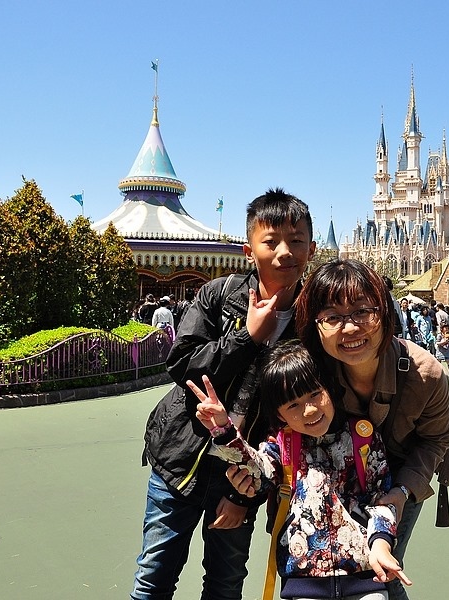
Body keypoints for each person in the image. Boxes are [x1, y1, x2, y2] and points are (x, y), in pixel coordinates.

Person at [130, 188, 315, 600]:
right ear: (249, 251)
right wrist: (246, 336)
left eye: (296, 240)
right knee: (154, 577)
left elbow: (295, 417)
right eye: (271, 241)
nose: (285, 252)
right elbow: (182, 365)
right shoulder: (220, 295)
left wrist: (242, 494)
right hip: (180, 462)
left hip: (243, 476)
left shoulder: (311, 322)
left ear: (311, 249)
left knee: (225, 585)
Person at [189, 341, 411, 599]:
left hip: (365, 578)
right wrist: (224, 430)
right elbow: (257, 472)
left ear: (330, 388)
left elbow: (381, 500)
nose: (310, 409)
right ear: (279, 415)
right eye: (293, 405)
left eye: (315, 394)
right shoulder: (282, 446)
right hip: (304, 584)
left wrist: (381, 543)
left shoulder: (363, 438)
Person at [294, 259, 449, 600]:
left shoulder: (425, 374)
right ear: (315, 325)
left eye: (363, 312)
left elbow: (435, 439)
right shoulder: (309, 372)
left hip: (401, 475)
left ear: (385, 315)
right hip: (336, 479)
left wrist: (402, 492)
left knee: (385, 572)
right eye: (332, 317)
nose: (350, 328)